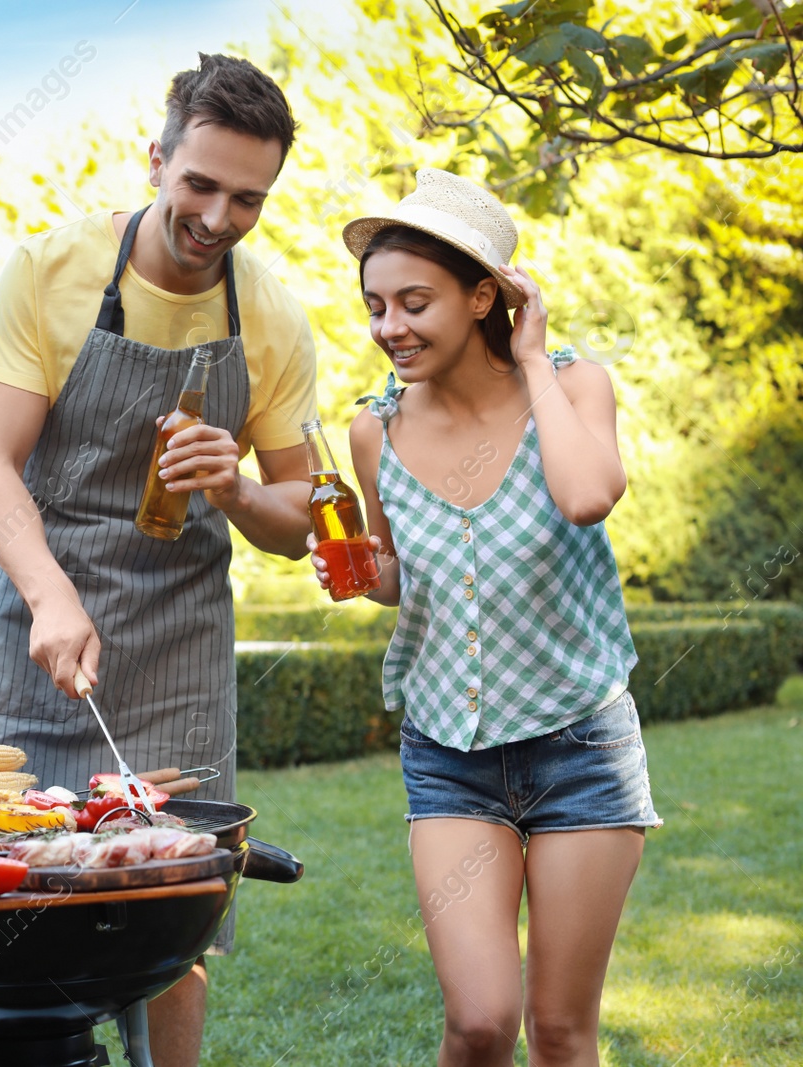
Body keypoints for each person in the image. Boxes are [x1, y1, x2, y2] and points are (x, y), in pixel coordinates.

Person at [0, 53, 318, 1066]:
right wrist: (49, 591)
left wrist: (238, 487)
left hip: (174, 643)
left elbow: (302, 519)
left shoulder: (273, 316)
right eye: (199, 184)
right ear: (153, 159)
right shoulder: (52, 270)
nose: (216, 217)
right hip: (36, 621)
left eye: (248, 199)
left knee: (169, 922)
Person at [321, 168, 658, 1066]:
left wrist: (536, 353)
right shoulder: (375, 432)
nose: (390, 328)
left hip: (580, 750)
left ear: (483, 296)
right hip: (448, 755)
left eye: (415, 302)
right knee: (478, 1020)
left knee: (558, 1028)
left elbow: (587, 495)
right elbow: (396, 574)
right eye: (376, 306)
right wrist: (359, 569)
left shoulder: (576, 386)